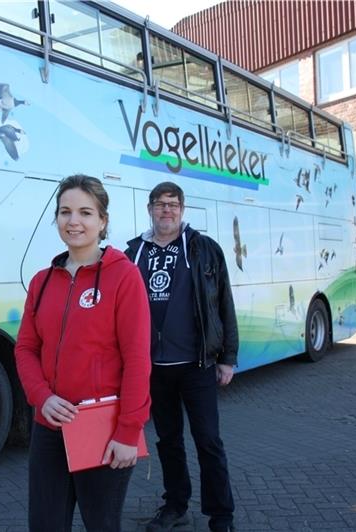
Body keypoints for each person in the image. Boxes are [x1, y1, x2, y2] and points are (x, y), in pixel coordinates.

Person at [15, 174, 151, 532]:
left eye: (85, 213)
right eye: (65, 212)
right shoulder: (42, 281)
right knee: (45, 525)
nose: (73, 221)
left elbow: (138, 359)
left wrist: (128, 431)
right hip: (49, 426)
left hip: (102, 426)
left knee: (101, 524)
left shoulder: (124, 277)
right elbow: (26, 348)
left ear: (103, 221)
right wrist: (41, 397)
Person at [125, 182, 238, 532]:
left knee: (208, 441)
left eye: (173, 204)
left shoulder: (205, 249)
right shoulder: (133, 253)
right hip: (154, 369)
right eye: (160, 204)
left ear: (182, 209)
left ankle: (221, 516)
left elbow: (224, 303)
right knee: (168, 442)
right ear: (150, 209)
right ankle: (176, 505)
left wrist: (228, 357)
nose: (166, 210)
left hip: (196, 365)